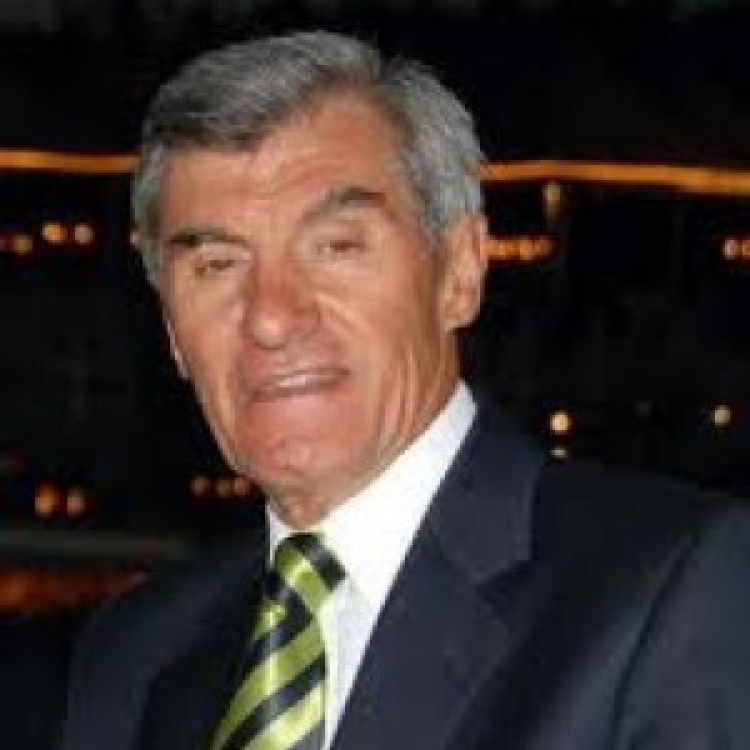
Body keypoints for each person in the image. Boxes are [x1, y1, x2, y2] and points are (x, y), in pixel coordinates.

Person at [57, 30, 750, 750]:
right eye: (218, 265)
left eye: (335, 246)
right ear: (172, 329)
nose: (270, 316)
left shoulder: (673, 594)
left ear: (460, 273)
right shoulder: (139, 650)